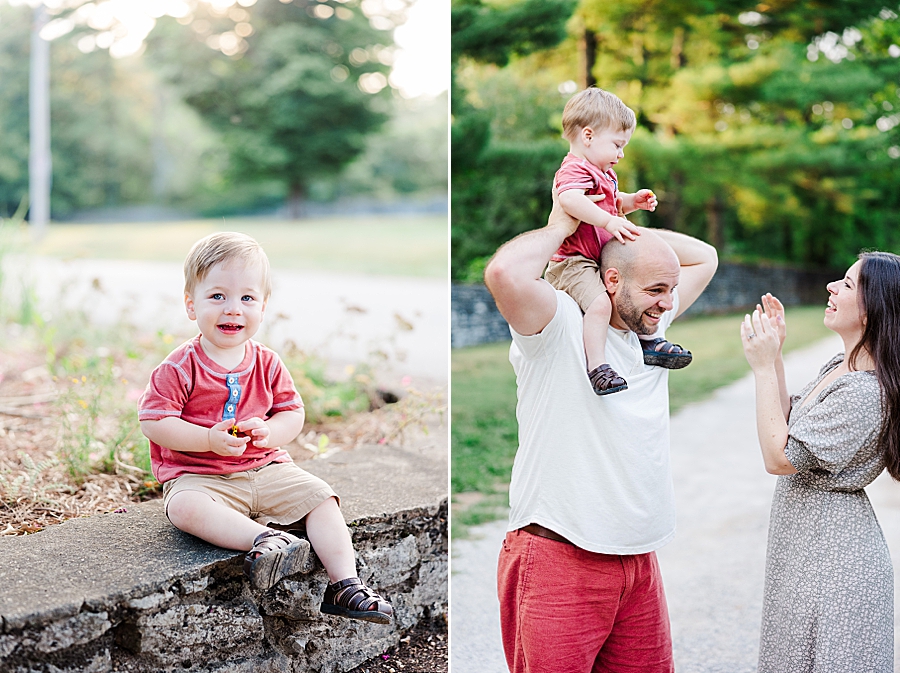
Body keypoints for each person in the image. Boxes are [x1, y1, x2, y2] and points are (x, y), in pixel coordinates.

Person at [483, 189, 718, 672]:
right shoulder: (558, 324)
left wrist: (613, 222)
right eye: (656, 290)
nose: (667, 303)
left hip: (638, 561)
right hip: (559, 557)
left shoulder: (651, 329)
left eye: (670, 290)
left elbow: (706, 257)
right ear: (611, 282)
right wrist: (564, 228)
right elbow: (503, 273)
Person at [138, 232, 392, 624]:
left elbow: (293, 412)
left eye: (247, 298)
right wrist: (207, 439)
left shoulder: (267, 362)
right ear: (191, 304)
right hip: (201, 477)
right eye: (217, 296)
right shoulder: (179, 366)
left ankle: (345, 584)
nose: (233, 310)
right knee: (183, 507)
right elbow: (154, 421)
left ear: (263, 305)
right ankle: (264, 540)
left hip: (267, 467)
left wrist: (269, 432)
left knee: (322, 498)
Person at [741, 252, 900, 672]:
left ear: (873, 311)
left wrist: (759, 370)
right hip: (811, 551)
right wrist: (775, 354)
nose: (831, 286)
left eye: (847, 285)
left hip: (836, 566)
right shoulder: (842, 367)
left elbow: (780, 456)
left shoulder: (866, 392)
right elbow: (789, 424)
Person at [545, 87, 692, 396]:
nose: (621, 154)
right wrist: (609, 221)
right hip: (573, 261)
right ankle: (598, 367)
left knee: (631, 293)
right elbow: (570, 200)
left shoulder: (602, 172)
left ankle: (648, 342)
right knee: (600, 304)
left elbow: (609, 203)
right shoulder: (573, 169)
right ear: (588, 136)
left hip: (599, 258)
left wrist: (630, 202)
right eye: (617, 145)